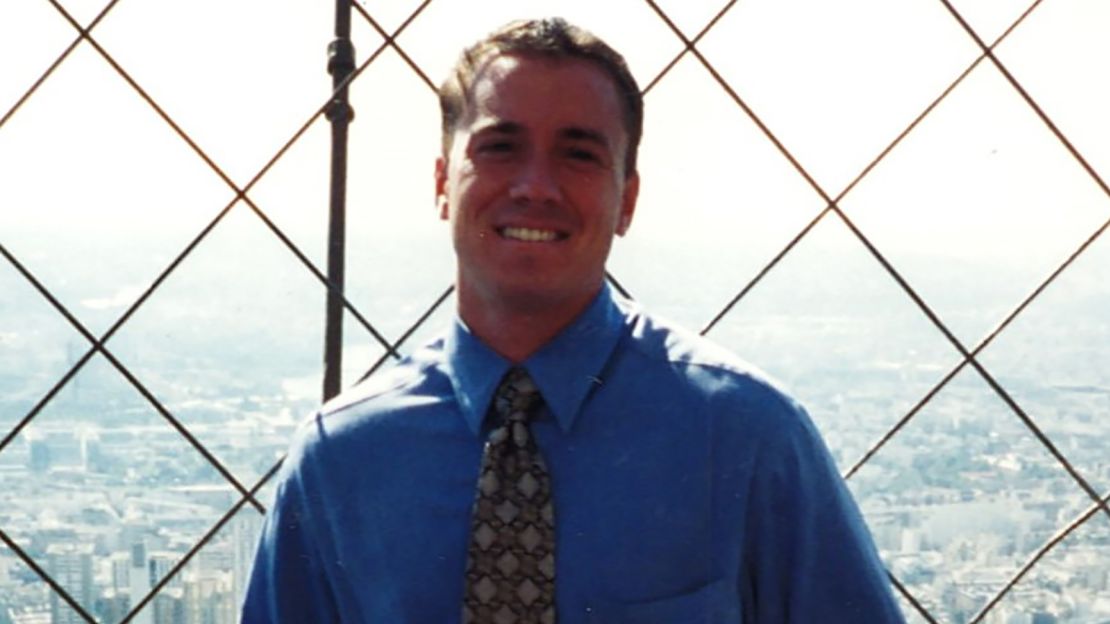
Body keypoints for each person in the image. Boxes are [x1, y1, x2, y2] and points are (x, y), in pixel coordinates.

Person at [241, 17, 905, 624]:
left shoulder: (745, 438)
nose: (536, 186)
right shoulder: (341, 460)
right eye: (500, 147)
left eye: (579, 154)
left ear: (628, 200)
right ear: (443, 183)